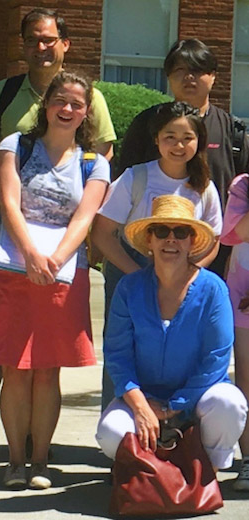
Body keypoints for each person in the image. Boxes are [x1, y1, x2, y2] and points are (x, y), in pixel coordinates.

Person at [0, 5, 117, 463]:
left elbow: (96, 165)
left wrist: (67, 252)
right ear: (23, 45)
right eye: (33, 39)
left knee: (44, 364)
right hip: (8, 245)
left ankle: (34, 452)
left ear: (64, 44)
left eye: (50, 39)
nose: (42, 47)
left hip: (62, 256)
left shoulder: (93, 104)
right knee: (0, 352)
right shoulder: (3, 95)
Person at [96, 194, 247, 476]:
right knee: (110, 433)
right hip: (145, 397)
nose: (171, 240)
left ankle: (206, 473)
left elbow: (215, 360)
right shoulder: (129, 288)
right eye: (162, 231)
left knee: (230, 403)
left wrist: (172, 408)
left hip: (198, 400)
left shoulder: (214, 289)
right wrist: (141, 406)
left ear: (192, 242)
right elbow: (117, 357)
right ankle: (150, 473)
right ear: (149, 241)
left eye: (180, 232)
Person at [92, 101, 223, 410]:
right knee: (123, 351)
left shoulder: (204, 187)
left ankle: (175, 422)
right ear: (156, 139)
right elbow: (102, 233)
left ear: (199, 141)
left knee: (180, 352)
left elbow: (213, 239)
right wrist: (137, 276)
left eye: (187, 137)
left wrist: (190, 276)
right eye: (170, 136)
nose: (178, 145)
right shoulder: (134, 178)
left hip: (183, 281)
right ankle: (119, 434)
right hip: (130, 272)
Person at [116, 38, 249, 277]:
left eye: (198, 70)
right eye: (180, 70)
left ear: (213, 76)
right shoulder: (147, 124)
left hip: (214, 260)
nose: (189, 77)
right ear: (168, 76)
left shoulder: (234, 132)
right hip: (145, 256)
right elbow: (121, 184)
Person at [220, 174, 249, 490]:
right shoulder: (243, 186)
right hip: (244, 297)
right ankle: (248, 461)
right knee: (247, 381)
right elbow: (237, 232)